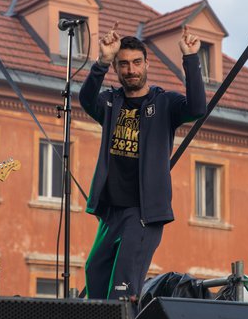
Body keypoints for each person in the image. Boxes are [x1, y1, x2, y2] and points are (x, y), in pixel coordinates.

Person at [79, 22, 207, 304]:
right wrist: (101, 60)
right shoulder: (110, 102)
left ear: (147, 64)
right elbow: (85, 99)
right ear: (117, 69)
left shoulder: (164, 103)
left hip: (143, 212)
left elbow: (198, 108)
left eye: (137, 62)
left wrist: (190, 58)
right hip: (111, 211)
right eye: (123, 64)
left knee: (123, 289)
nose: (131, 70)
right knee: (95, 275)